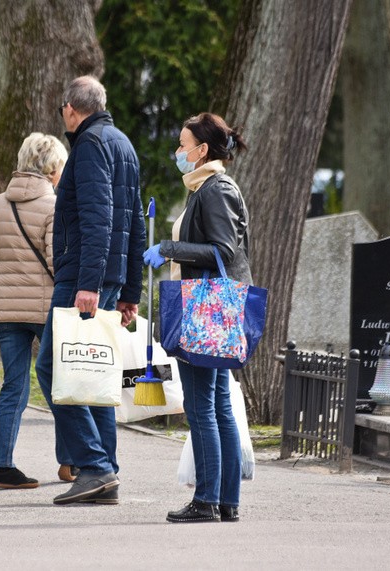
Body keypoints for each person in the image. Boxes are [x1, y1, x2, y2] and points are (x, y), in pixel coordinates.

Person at [34, 75, 146, 506]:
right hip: (105, 278)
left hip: (84, 277)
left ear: (70, 109)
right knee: (93, 372)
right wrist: (128, 290)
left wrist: (88, 285)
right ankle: (105, 473)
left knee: (54, 367)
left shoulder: (88, 145)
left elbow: (98, 220)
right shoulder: (122, 144)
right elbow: (134, 223)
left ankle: (95, 466)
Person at [142, 112, 250, 523]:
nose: (178, 152)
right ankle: (225, 501)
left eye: (183, 145)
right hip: (212, 306)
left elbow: (223, 251)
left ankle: (207, 499)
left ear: (202, 150)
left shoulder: (214, 189)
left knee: (203, 405)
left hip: (205, 308)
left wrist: (169, 248)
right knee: (217, 404)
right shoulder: (207, 187)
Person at [0, 133, 69, 489]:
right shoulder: (53, 205)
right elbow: (57, 262)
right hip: (46, 311)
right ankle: (71, 461)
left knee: (13, 387)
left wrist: (6, 281)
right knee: (60, 384)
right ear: (52, 168)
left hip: (7, 312)